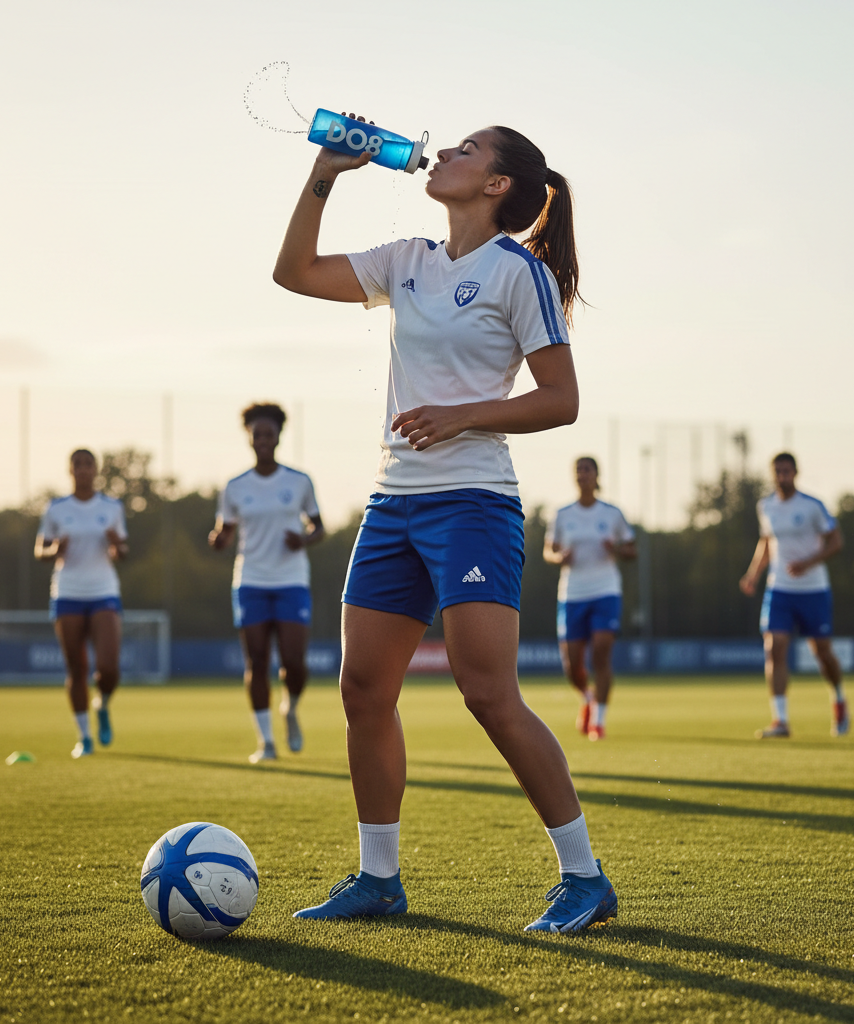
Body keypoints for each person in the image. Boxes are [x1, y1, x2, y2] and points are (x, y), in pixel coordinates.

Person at [272, 117, 617, 933]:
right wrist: (326, 173)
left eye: (468, 149)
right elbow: (294, 273)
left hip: (473, 503)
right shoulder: (408, 259)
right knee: (363, 689)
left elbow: (561, 400)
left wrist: (464, 415)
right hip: (393, 504)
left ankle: (585, 878)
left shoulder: (518, 272)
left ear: (496, 185)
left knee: (488, 693)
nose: (448, 153)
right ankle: (379, 879)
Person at [209, 403, 324, 763]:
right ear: (249, 438)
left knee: (294, 661)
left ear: (278, 437)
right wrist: (218, 540)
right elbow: (224, 531)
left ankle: (290, 707)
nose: (262, 440)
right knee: (256, 661)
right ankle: (266, 742)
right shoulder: (235, 486)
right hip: (251, 581)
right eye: (256, 434)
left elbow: (319, 527)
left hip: (291, 581)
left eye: (268, 434)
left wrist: (304, 539)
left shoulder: (299, 481)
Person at [739, 452, 848, 738]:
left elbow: (836, 541)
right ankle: (781, 721)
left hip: (813, 590)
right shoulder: (765, 506)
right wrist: (753, 574)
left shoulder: (812, 506)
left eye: (786, 471)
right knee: (774, 648)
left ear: (795, 473)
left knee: (822, 652)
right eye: (777, 471)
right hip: (779, 589)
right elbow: (766, 543)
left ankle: (838, 698)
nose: (782, 476)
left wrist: (808, 563)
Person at [35, 449, 128, 759]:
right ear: (70, 470)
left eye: (89, 464)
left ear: (96, 470)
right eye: (78, 464)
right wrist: (53, 551)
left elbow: (122, 552)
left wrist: (117, 545)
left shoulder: (111, 507)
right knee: (76, 668)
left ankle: (102, 703)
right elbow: (40, 550)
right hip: (68, 593)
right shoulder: (56, 508)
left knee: (108, 668)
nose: (84, 469)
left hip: (103, 590)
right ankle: (84, 737)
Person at [544, 457, 636, 741]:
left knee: (601, 653)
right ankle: (587, 697)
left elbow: (632, 550)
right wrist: (559, 557)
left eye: (587, 469)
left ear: (597, 476)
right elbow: (548, 551)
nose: (582, 474)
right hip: (572, 593)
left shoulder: (611, 513)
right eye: (578, 470)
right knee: (572, 666)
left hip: (605, 590)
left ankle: (599, 721)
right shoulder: (563, 514)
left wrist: (616, 548)